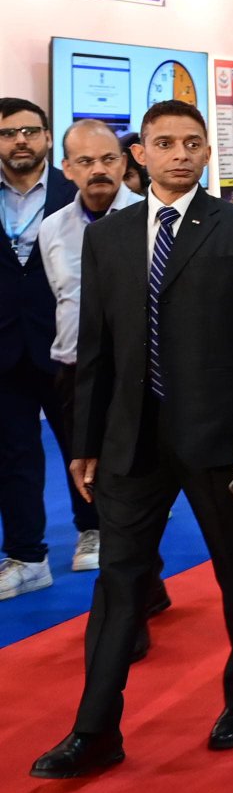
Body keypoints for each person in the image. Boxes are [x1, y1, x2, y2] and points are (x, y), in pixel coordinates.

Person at [30, 100, 233, 780]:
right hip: (130, 440)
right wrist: (84, 442)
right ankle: (94, 730)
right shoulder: (109, 238)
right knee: (118, 583)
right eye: (166, 143)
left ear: (207, 152)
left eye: (192, 142)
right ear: (140, 155)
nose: (181, 154)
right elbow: (96, 348)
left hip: (223, 441)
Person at [39, 121, 140, 579]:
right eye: (85, 161)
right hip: (75, 369)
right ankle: (95, 535)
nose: (98, 169)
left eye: (107, 159)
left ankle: (139, 575)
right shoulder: (52, 229)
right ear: (67, 169)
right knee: (84, 464)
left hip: (136, 369)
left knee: (135, 477)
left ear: (123, 162)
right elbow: (60, 297)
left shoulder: (151, 216)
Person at [0, 98, 76, 602]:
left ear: (48, 137)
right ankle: (27, 556)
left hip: (66, 343)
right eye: (8, 133)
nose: (20, 140)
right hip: (4, 346)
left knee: (82, 446)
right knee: (13, 456)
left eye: (30, 131)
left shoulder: (76, 191)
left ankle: (94, 530)